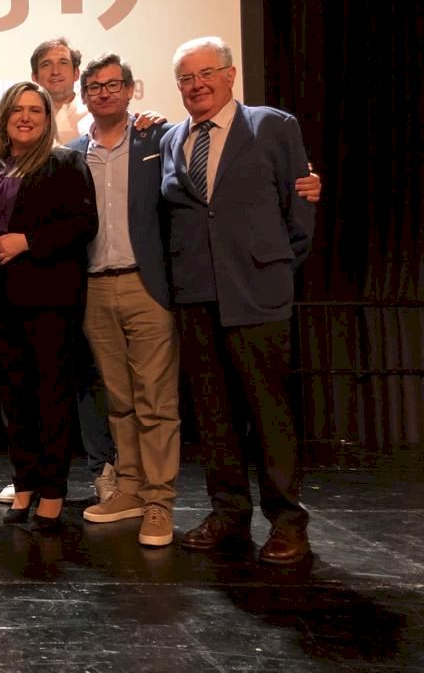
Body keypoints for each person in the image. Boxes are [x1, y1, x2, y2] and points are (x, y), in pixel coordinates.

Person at [161, 36, 315, 564]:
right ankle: (228, 514)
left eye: (206, 73)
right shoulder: (172, 138)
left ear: (230, 75)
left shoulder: (272, 126)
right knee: (214, 415)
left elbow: (300, 208)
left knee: (269, 413)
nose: (197, 85)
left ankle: (287, 521)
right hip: (196, 296)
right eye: (186, 78)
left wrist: (275, 268)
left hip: (257, 292)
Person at [0, 81, 98, 531]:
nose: (25, 117)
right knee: (14, 399)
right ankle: (24, 483)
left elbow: (84, 223)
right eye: (16, 110)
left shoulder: (65, 162)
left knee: (50, 397)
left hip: (50, 300)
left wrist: (29, 241)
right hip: (0, 302)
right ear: (4, 118)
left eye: (35, 111)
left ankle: (53, 492)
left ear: (46, 119)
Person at [66, 54, 180, 547]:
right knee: (118, 401)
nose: (104, 93)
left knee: (156, 400)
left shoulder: (157, 139)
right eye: (95, 86)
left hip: (145, 284)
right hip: (94, 286)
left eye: (114, 84)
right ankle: (129, 489)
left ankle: (159, 501)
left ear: (131, 90)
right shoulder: (73, 153)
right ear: (84, 96)